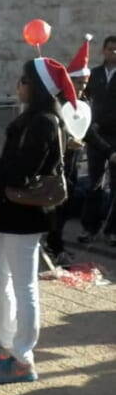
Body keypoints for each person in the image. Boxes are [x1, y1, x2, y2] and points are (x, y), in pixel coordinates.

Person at [0, 57, 76, 383]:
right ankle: (6, 342)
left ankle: (23, 359)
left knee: (24, 286)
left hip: (27, 215)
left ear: (36, 87)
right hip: (11, 212)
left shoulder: (43, 123)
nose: (18, 85)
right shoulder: (32, 119)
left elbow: (18, 174)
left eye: (23, 80)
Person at [45, 35, 115, 265]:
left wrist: (108, 151)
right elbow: (50, 133)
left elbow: (87, 132)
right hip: (53, 165)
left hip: (71, 164)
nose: (82, 88)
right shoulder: (59, 104)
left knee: (65, 205)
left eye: (84, 85)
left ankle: (55, 244)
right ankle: (53, 245)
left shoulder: (80, 105)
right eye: (78, 84)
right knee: (55, 206)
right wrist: (65, 142)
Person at [78, 35, 116, 246]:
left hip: (114, 135)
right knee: (94, 184)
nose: (113, 53)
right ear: (103, 50)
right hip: (96, 136)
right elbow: (85, 99)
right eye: (110, 49)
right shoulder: (95, 74)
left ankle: (112, 230)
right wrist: (88, 122)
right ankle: (89, 228)